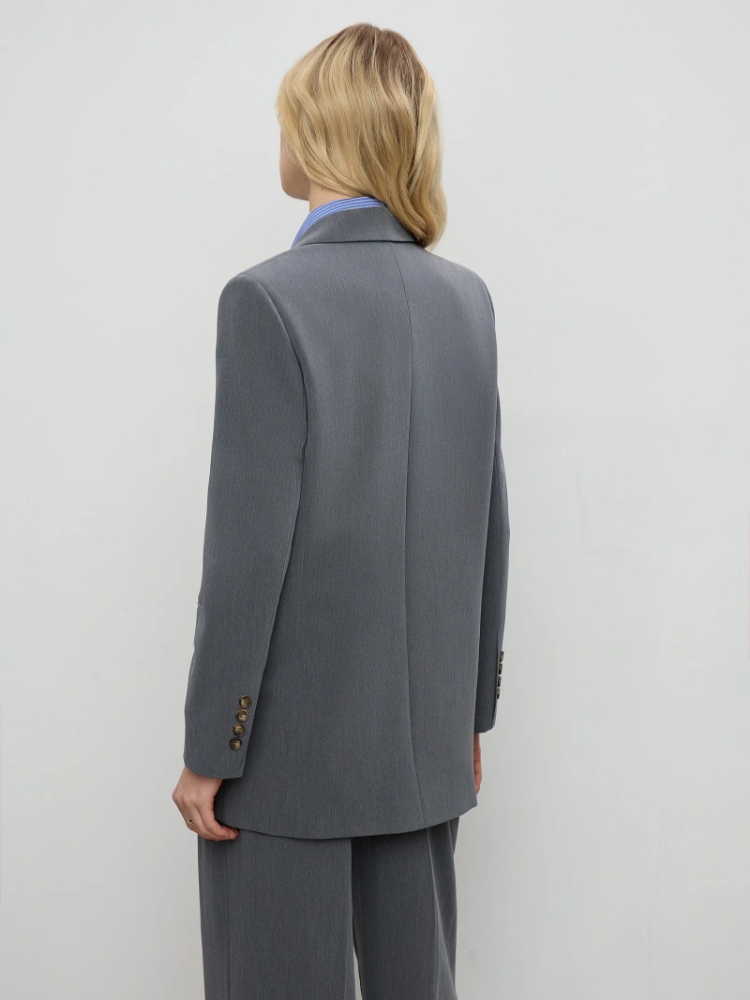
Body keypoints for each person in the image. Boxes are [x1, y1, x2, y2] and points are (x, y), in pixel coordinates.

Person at [172, 22, 509, 1000]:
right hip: (424, 751)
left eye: (288, 115)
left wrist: (213, 746)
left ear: (319, 129)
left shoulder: (267, 301)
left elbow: (248, 552)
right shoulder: (468, 302)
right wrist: (468, 716)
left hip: (287, 767)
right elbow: (489, 525)